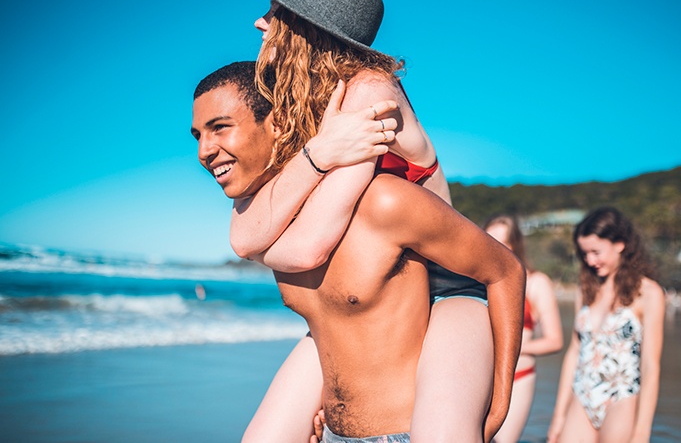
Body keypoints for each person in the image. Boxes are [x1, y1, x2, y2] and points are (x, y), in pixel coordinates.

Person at [233, 0, 518, 442]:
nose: (259, 22)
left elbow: (304, 247)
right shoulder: (308, 113)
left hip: (445, 293)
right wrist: (265, 233)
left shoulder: (370, 93)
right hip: (374, 302)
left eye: (275, 12)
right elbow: (245, 237)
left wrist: (265, 245)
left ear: (305, 26)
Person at [190, 61, 525, 442]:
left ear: (279, 124)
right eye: (197, 135)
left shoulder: (383, 200)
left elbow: (504, 270)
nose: (203, 151)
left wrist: (499, 404)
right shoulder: (273, 224)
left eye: (220, 128)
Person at [548, 207, 664, 443]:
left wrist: (642, 432)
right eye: (584, 254)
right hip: (582, 395)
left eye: (595, 252)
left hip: (621, 397)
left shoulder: (649, 293)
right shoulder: (586, 289)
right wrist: (558, 416)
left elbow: (650, 366)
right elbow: (574, 352)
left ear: (620, 243)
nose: (590, 260)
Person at [483, 215, 563, 443]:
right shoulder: (475, 278)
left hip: (518, 376)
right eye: (488, 239)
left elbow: (554, 340)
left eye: (502, 241)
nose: (493, 246)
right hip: (481, 374)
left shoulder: (537, 282)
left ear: (514, 245)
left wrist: (509, 345)